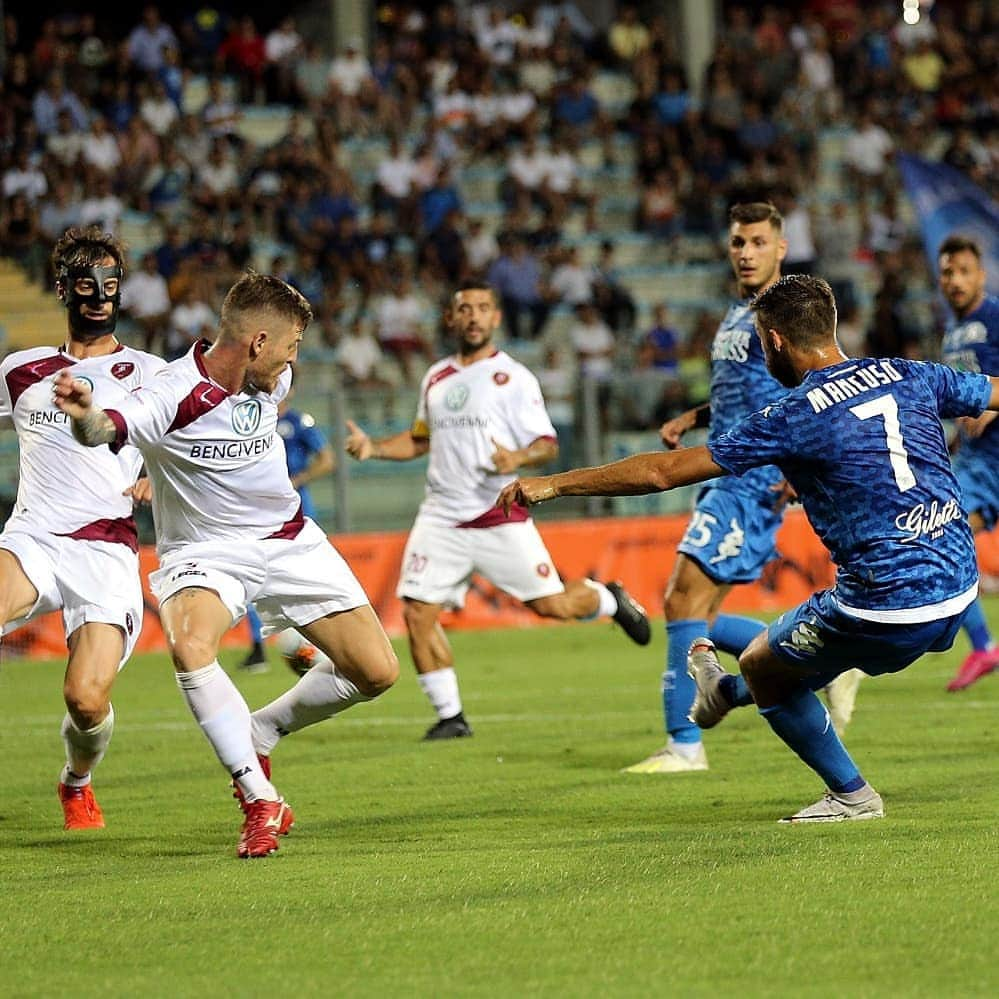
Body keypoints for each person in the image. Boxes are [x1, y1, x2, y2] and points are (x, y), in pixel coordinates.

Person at [499, 274, 998, 822]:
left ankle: (852, 796)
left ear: (776, 341)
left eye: (762, 342)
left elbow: (664, 472)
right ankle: (728, 692)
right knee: (793, 658)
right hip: (957, 588)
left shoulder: (795, 414)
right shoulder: (910, 373)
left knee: (764, 666)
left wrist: (557, 483)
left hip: (881, 605)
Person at [54, 272, 399, 858]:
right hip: (207, 553)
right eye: (290, 345)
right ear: (259, 342)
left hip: (290, 540)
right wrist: (85, 416)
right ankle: (258, 797)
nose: (294, 359)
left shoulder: (273, 378)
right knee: (191, 647)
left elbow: (265, 400)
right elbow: (105, 427)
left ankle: (261, 729)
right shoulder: (171, 391)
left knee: (377, 672)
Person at [344, 280, 650, 741]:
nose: (472, 315)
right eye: (463, 307)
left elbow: (546, 445)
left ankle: (607, 597)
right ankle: (452, 717)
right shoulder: (436, 377)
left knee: (552, 606)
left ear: (496, 319)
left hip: (498, 514)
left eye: (482, 307)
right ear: (450, 318)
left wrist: (517, 459)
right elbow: (421, 439)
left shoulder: (514, 378)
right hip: (441, 516)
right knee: (417, 613)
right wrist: (373, 448)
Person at [0, 226, 164, 830]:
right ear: (63, 288)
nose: (99, 296)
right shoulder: (22, 370)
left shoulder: (149, 373)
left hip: (107, 551)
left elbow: (189, 442)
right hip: (32, 538)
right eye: (87, 284)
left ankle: (77, 781)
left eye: (110, 285)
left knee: (86, 700)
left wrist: (160, 481)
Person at [622, 202, 792, 775]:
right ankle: (813, 653)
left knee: (679, 599)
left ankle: (684, 744)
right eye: (738, 242)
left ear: (780, 248)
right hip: (723, 469)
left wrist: (799, 464)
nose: (745, 252)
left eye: (757, 242)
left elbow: (808, 390)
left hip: (752, 476)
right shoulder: (738, 312)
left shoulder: (787, 313)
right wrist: (694, 416)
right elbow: (741, 390)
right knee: (701, 616)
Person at [938, 235, 999, 691]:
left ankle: (982, 645)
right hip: (975, 460)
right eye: (947, 272)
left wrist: (991, 408)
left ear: (980, 274)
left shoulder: (993, 316)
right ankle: (982, 647)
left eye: (963, 271)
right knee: (943, 537)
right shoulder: (951, 333)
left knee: (944, 536)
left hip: (994, 461)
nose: (955, 280)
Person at [241, 389, 336, 670]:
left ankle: (318, 638)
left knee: (307, 578)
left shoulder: (298, 422)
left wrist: (299, 479)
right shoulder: (249, 419)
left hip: (297, 511)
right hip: (256, 512)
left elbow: (327, 459)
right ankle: (258, 647)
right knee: (253, 580)